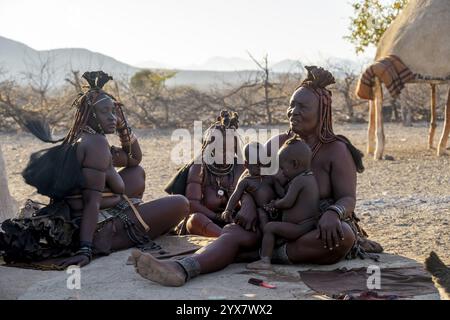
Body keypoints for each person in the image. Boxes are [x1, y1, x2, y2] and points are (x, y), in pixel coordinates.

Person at [129, 66, 383, 287]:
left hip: (311, 228)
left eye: (302, 106)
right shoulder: (278, 143)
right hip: (269, 222)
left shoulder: (336, 150)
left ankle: (260, 255)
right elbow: (251, 176)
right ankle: (182, 268)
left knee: (343, 237)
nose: (293, 111)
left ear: (322, 112)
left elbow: (348, 198)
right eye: (291, 105)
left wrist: (333, 213)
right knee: (234, 233)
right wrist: (248, 204)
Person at [0, 71, 189, 268]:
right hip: (98, 227)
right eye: (105, 112)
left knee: (136, 173)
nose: (112, 118)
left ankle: (135, 215)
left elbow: (133, 159)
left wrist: (123, 126)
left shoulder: (84, 138)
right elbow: (92, 201)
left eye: (114, 112)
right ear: (90, 115)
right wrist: (85, 249)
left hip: (90, 211)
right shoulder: (95, 144)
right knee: (181, 204)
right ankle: (119, 233)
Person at [170, 110, 247, 237]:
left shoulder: (239, 167)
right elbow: (192, 205)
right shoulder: (199, 167)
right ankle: (226, 238)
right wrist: (218, 217)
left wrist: (242, 211)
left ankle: (231, 238)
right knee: (195, 219)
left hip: (233, 221)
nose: (225, 154)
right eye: (221, 150)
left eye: (229, 149)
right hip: (206, 222)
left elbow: (249, 196)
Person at [246, 138, 319, 270]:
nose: (282, 172)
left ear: (295, 164)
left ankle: (265, 260)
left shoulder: (299, 181)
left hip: (299, 227)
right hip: (306, 225)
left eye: (282, 168)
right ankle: (276, 242)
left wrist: (275, 204)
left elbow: (287, 201)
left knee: (269, 227)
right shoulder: (308, 177)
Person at [221, 142, 284, 233]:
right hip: (261, 210)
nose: (260, 167)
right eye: (256, 164)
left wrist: (277, 201)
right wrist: (228, 210)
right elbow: (235, 196)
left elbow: (281, 192)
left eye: (263, 163)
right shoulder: (246, 181)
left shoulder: (270, 178)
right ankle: (268, 236)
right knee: (262, 215)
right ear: (246, 165)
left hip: (274, 208)